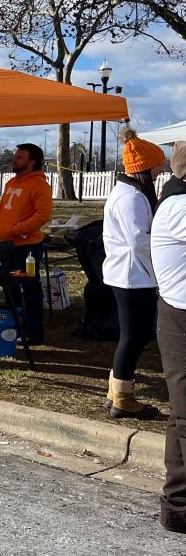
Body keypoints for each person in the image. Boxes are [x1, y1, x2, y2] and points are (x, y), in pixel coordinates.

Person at [102, 129, 167, 419]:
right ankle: (123, 397)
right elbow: (139, 240)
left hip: (130, 274)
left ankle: (116, 390)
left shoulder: (130, 193)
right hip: (132, 276)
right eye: (157, 165)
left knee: (135, 335)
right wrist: (161, 269)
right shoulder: (130, 198)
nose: (161, 169)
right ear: (144, 167)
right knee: (134, 336)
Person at [151, 141, 186, 534]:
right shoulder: (180, 207)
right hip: (180, 317)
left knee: (181, 414)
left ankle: (177, 504)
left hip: (175, 312)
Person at [0, 143, 53, 345]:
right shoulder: (11, 183)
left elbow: (43, 215)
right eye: (15, 156)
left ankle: (33, 332)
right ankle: (13, 326)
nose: (14, 160)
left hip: (27, 250)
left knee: (28, 287)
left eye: (19, 157)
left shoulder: (39, 185)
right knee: (10, 285)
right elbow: (1, 207)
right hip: (6, 247)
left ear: (32, 162)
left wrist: (17, 230)